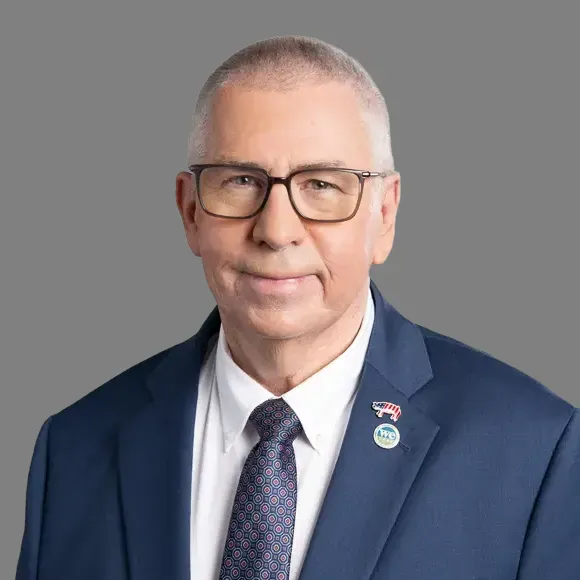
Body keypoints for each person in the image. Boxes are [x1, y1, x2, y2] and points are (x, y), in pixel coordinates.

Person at [16, 35, 579, 580]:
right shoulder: (76, 447)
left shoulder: (533, 452)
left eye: (322, 186)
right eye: (241, 181)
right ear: (190, 212)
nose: (277, 230)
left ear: (384, 216)